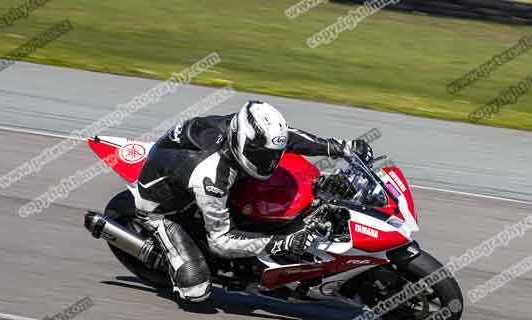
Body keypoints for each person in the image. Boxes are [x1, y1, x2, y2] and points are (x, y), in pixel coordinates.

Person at [134, 100, 373, 302]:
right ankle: (167, 251)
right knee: (196, 289)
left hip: (199, 170)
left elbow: (289, 138)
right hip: (163, 209)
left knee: (291, 191)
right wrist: (281, 243)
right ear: (242, 142)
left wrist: (342, 148)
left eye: (271, 155)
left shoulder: (247, 129)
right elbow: (221, 242)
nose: (268, 162)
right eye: (261, 156)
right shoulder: (211, 175)